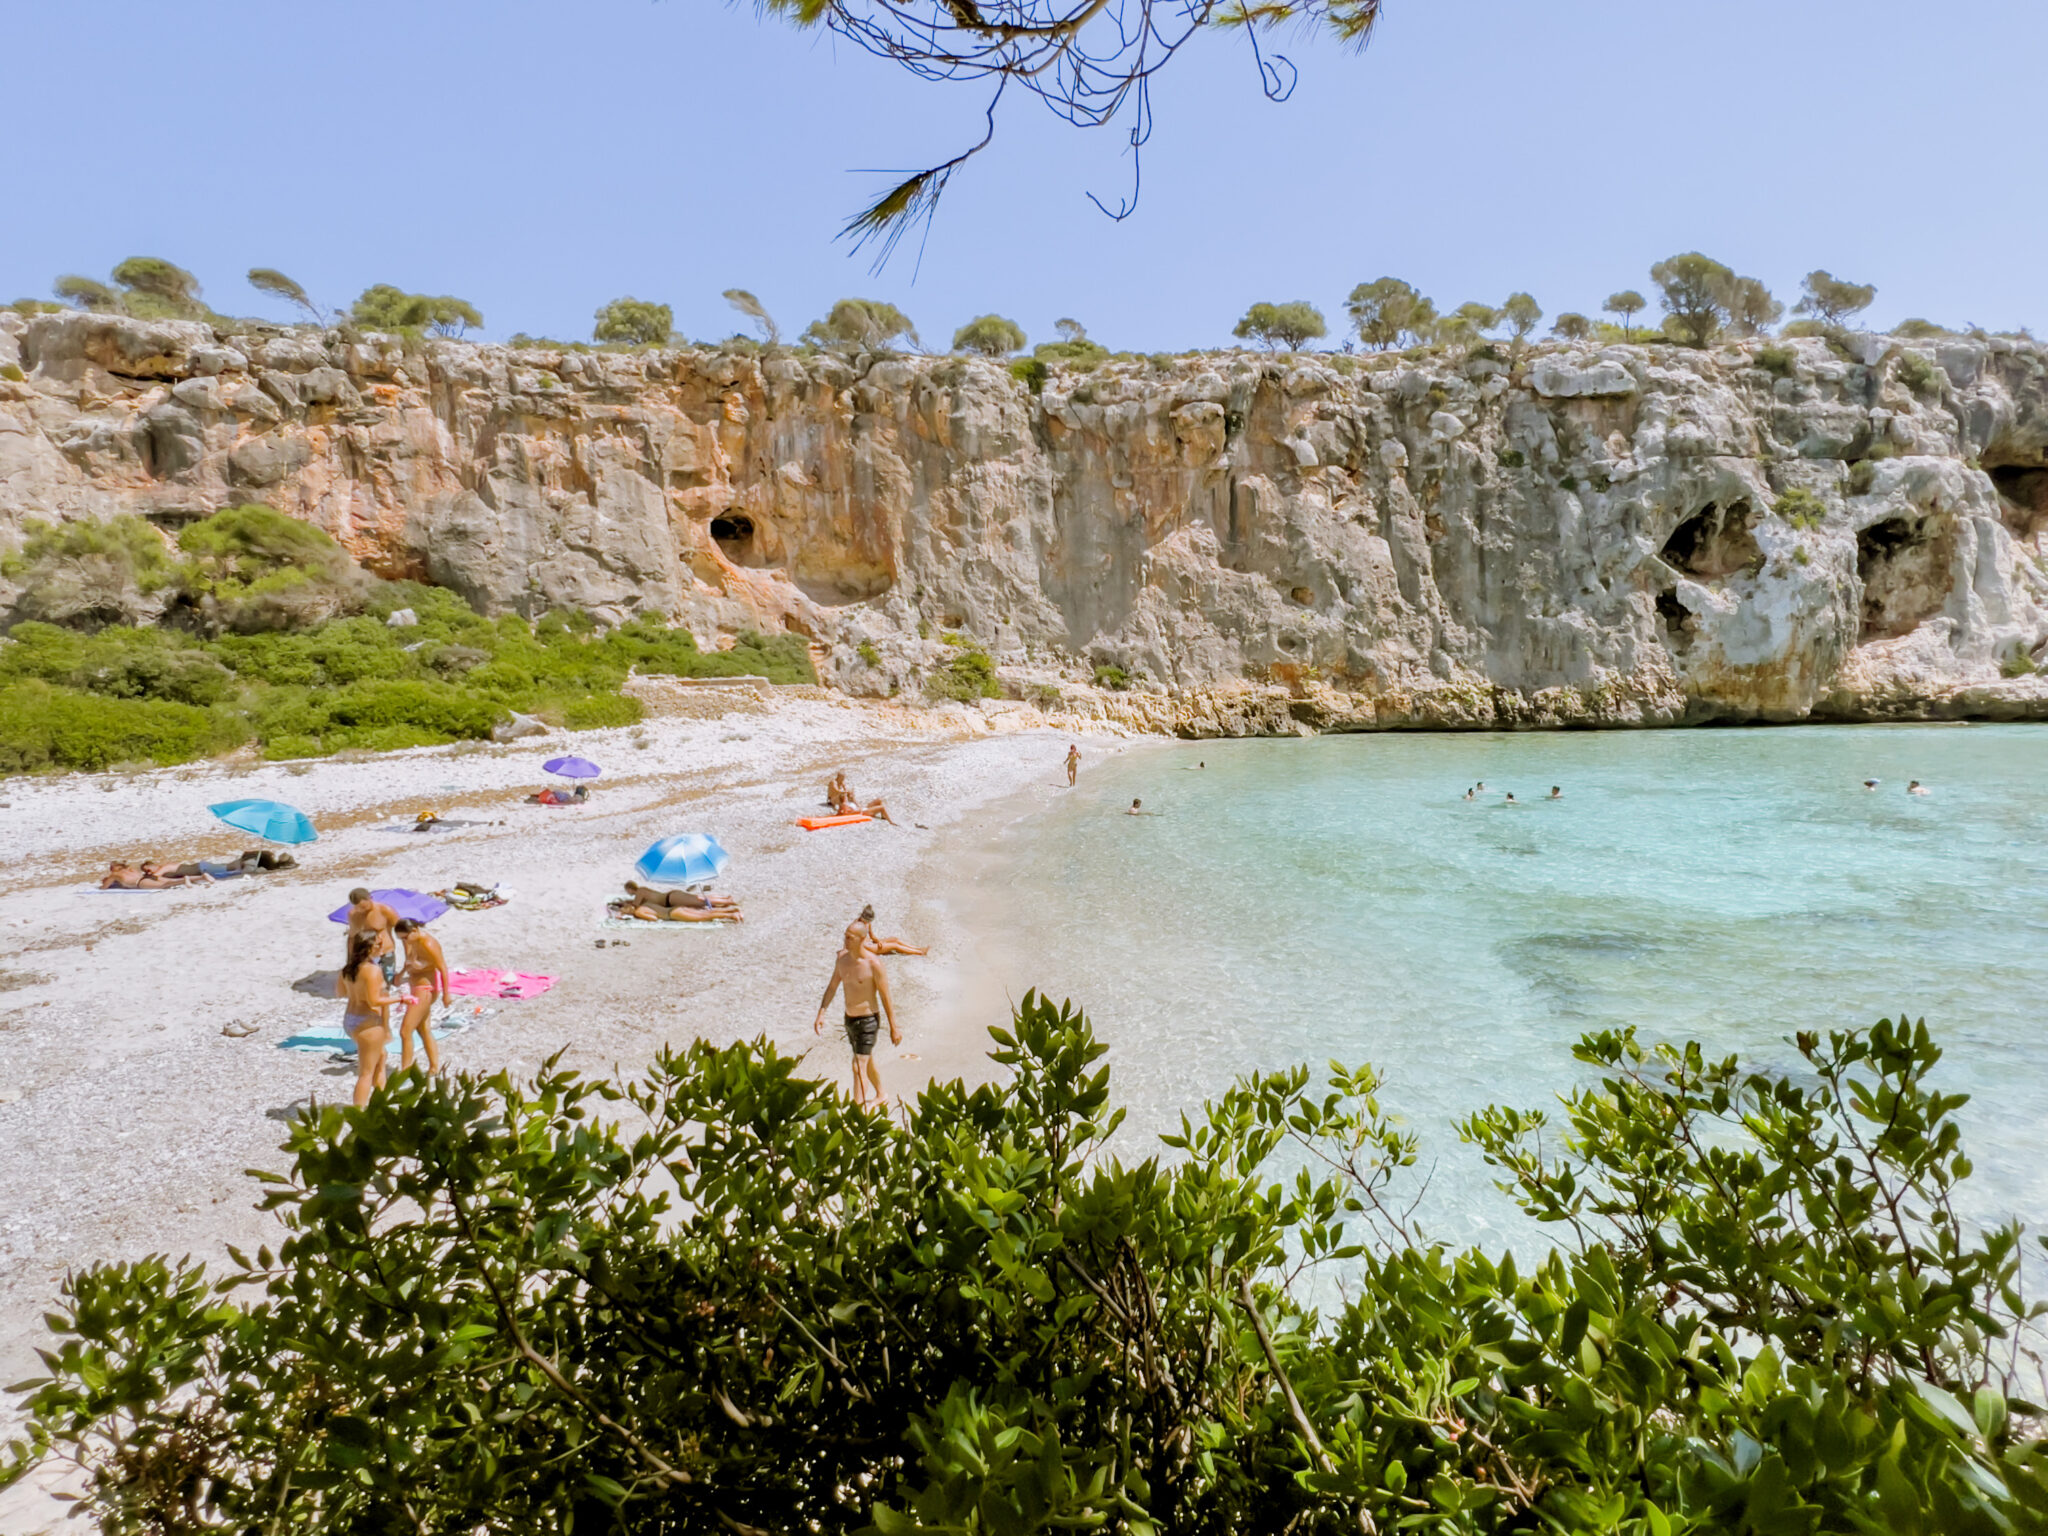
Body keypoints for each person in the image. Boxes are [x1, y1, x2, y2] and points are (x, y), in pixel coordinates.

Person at [814, 921, 899, 1110]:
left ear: (862, 939)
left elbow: (886, 997)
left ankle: (858, 1110)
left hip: (868, 1020)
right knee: (866, 1061)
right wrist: (821, 1013)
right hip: (849, 1019)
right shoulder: (842, 961)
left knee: (858, 1066)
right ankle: (881, 1094)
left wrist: (894, 1027)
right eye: (845, 935)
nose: (845, 939)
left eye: (850, 937)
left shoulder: (874, 964)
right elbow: (832, 987)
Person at [339, 932, 400, 1108]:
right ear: (369, 948)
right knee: (366, 1073)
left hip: (350, 1018)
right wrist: (402, 999)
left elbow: (341, 992)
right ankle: (358, 1112)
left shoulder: (348, 969)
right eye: (379, 944)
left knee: (381, 1056)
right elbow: (375, 1001)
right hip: (367, 1021)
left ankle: (382, 1102)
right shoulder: (373, 970)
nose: (382, 947)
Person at [393, 918, 449, 1075]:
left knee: (405, 1031)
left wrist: (446, 994)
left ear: (415, 930)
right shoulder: (412, 942)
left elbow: (442, 968)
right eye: (401, 939)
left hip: (425, 989)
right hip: (416, 987)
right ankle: (433, 1067)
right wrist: (404, 971)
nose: (404, 941)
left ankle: (405, 1071)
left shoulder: (428, 944)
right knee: (423, 1029)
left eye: (405, 937)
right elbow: (410, 966)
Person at [343, 888, 402, 986]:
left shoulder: (385, 910)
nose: (364, 910)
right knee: (368, 983)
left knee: (387, 983)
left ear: (370, 898)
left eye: (366, 906)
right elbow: (352, 937)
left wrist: (409, 954)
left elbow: (403, 931)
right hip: (365, 953)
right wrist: (350, 959)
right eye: (360, 908)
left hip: (385, 951)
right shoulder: (353, 914)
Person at [624, 880, 740, 913]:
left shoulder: (639, 892)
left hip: (670, 899)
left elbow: (635, 905)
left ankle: (728, 902)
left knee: (699, 902)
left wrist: (623, 905)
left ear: (630, 889)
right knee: (697, 898)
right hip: (671, 896)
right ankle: (725, 900)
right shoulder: (642, 889)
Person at [856, 903, 926, 957]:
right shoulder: (856, 926)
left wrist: (878, 941)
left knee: (894, 939)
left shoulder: (867, 923)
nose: (868, 922)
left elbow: (872, 936)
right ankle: (920, 953)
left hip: (870, 943)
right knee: (894, 945)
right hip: (868, 947)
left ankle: (918, 948)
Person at [828, 770, 895, 824]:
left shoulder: (850, 801)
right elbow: (841, 814)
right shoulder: (844, 805)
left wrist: (852, 797)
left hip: (863, 809)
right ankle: (891, 822)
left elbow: (856, 804)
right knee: (882, 808)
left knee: (879, 800)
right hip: (863, 812)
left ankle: (883, 816)